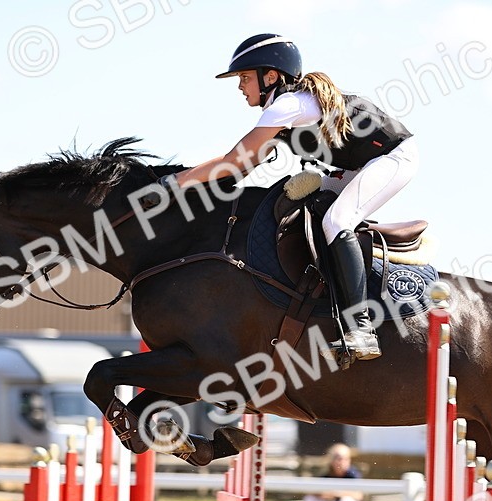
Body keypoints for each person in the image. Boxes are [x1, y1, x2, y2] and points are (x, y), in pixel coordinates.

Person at [158, 34, 418, 364]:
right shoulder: (282, 109)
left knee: (337, 220)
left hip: (394, 158)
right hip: (358, 164)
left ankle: (360, 328)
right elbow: (242, 169)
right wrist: (192, 191)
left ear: (271, 77)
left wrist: (175, 182)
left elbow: (233, 161)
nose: (240, 87)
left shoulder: (288, 105)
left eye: (244, 78)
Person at [302, 443, 366, 501]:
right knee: (310, 499)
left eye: (346, 459)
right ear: (331, 460)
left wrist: (336, 493)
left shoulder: (353, 474)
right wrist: (322, 493)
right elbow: (312, 490)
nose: (342, 462)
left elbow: (359, 495)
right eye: (338, 458)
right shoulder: (327, 472)